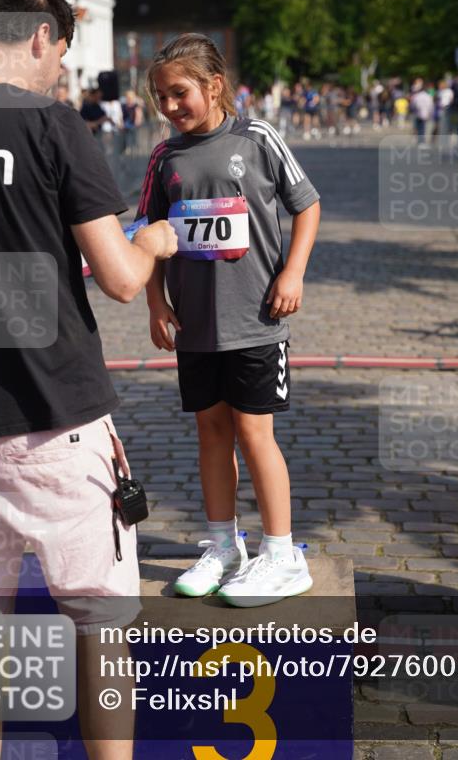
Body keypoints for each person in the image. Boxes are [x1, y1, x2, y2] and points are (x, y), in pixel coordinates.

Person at [0, 0, 178, 760]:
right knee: (101, 636)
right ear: (38, 35)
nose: (62, 71)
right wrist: (155, 240)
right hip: (57, 430)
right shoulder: (52, 127)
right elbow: (124, 281)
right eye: (61, 53)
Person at [137, 33, 321, 608]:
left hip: (257, 322)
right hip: (196, 326)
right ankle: (223, 546)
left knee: (254, 432)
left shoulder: (259, 138)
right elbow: (148, 237)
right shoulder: (164, 158)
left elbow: (307, 205)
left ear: (214, 86)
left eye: (179, 93)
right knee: (211, 433)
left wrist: (293, 273)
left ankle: (282, 553)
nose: (169, 107)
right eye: (160, 98)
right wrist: (157, 304)